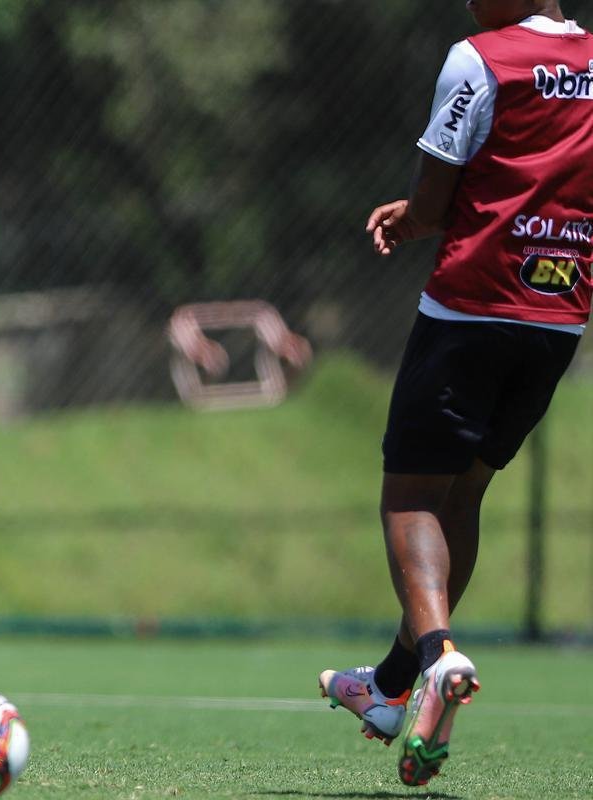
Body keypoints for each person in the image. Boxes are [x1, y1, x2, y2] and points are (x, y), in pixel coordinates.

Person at [318, 0, 591, 788]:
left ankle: (436, 656)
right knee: (461, 496)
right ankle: (391, 685)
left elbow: (436, 203)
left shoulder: (480, 57)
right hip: (559, 316)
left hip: (472, 306)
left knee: (408, 497)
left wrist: (409, 218)